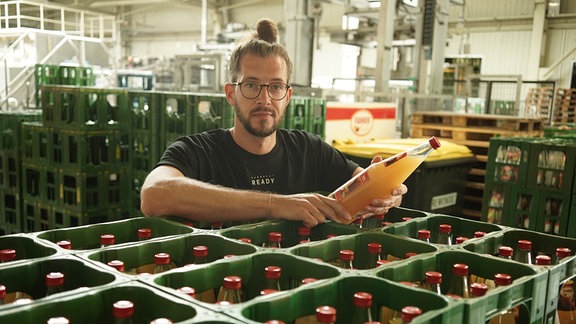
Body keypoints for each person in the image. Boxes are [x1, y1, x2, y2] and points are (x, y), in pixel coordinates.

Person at [140, 18, 407, 227]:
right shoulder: (197, 151)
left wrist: (383, 191)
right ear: (231, 93)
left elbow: (359, 182)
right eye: (252, 85)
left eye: (276, 86)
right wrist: (275, 204)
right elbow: (154, 195)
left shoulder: (308, 150)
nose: (265, 99)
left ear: (288, 96)